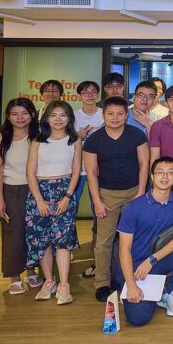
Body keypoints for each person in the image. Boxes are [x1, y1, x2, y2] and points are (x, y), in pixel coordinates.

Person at [116, 157, 173, 326]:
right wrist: (131, 285)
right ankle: (139, 291)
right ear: (152, 176)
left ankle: (168, 292)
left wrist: (152, 260)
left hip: (157, 262)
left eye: (170, 173)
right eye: (160, 172)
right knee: (138, 319)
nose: (165, 177)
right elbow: (123, 249)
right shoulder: (132, 207)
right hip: (136, 269)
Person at [83, 96, 150, 302]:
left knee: (136, 238)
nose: (115, 117)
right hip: (107, 194)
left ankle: (136, 277)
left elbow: (144, 165)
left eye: (120, 114)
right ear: (103, 116)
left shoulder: (137, 135)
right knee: (104, 241)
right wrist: (97, 200)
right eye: (110, 114)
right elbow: (92, 172)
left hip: (134, 192)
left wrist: (140, 194)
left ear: (126, 115)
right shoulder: (94, 139)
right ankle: (103, 282)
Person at [25, 101, 82, 305]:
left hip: (64, 191)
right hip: (39, 192)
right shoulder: (38, 141)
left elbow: (76, 171)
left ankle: (64, 284)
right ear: (46, 118)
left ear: (69, 118)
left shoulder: (74, 140)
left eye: (63, 115)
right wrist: (39, 200)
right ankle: (49, 281)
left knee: (63, 239)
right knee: (43, 240)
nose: (58, 119)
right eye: (53, 115)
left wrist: (67, 197)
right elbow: (30, 172)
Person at [0, 98, 40, 294]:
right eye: (14, 114)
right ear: (8, 117)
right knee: (13, 233)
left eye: (24, 113)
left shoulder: (39, 136)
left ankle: (32, 271)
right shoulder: (1, 139)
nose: (20, 118)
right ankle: (14, 276)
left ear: (32, 115)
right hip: (11, 190)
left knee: (34, 233)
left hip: (36, 189)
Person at [74, 80, 104, 278]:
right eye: (86, 92)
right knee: (69, 210)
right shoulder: (74, 116)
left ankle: (96, 249)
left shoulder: (104, 114)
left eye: (94, 92)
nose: (90, 95)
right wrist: (78, 135)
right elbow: (63, 138)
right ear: (80, 95)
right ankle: (67, 248)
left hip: (100, 170)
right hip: (76, 170)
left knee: (99, 212)